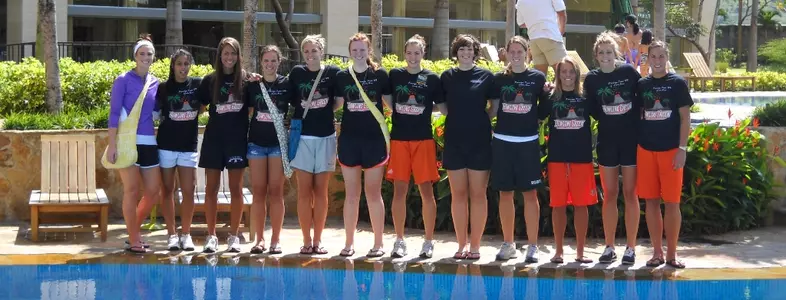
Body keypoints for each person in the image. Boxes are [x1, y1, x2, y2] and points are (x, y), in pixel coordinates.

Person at [488, 36, 548, 263]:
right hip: (503, 142)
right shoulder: (498, 80)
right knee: (505, 194)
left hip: (528, 144)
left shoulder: (538, 78)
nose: (515, 55)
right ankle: (508, 243)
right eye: (511, 51)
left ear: (527, 53)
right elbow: (492, 109)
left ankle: (533, 245)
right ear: (506, 54)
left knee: (530, 195)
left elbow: (544, 108)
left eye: (519, 51)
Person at [584, 31, 642, 265]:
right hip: (607, 141)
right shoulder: (592, 79)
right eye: (601, 53)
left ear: (616, 53)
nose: (605, 56)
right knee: (609, 194)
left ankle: (630, 247)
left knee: (630, 193)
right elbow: (591, 108)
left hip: (630, 141)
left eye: (609, 52)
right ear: (596, 56)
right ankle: (609, 246)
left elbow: (641, 99)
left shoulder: (628, 72)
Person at [635, 40, 691, 269]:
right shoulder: (641, 85)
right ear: (648, 59)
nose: (657, 61)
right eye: (653, 57)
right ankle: (656, 252)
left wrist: (682, 149)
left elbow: (685, 117)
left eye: (661, 56)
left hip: (671, 152)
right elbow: (638, 115)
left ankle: (672, 254)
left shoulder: (677, 84)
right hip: (646, 151)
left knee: (672, 203)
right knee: (651, 202)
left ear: (667, 58)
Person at [438, 34, 494, 260]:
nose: (465, 52)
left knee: (478, 194)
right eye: (461, 49)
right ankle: (461, 244)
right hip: (454, 141)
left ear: (475, 52)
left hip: (479, 141)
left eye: (469, 49)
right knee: (458, 194)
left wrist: (478, 120)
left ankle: (476, 246)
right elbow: (443, 107)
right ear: (456, 51)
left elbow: (494, 107)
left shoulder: (487, 76)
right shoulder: (447, 77)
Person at [335, 32, 391, 257]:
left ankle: (378, 244)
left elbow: (391, 104)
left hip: (374, 141)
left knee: (373, 194)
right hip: (349, 140)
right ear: (350, 52)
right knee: (351, 195)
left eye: (362, 50)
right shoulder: (341, 76)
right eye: (354, 50)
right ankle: (349, 243)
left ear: (369, 51)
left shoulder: (380, 75)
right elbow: (337, 104)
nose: (358, 54)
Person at [386, 34, 441, 259]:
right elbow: (387, 100)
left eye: (417, 53)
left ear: (423, 54)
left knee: (426, 192)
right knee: (399, 192)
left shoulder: (431, 78)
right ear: (404, 53)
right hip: (399, 140)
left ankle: (428, 241)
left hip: (423, 140)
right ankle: (399, 240)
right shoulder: (395, 75)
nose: (412, 57)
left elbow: (441, 105)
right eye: (409, 52)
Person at [196, 37, 250, 253]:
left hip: (236, 141)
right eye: (225, 53)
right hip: (214, 141)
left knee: (236, 189)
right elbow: (198, 107)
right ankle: (211, 236)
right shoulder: (209, 81)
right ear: (219, 56)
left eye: (233, 53)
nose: (229, 57)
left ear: (238, 56)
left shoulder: (246, 81)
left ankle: (234, 236)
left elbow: (253, 109)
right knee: (211, 189)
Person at [288, 34, 341, 255]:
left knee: (321, 192)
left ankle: (318, 241)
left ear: (322, 51)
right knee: (304, 192)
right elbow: (291, 100)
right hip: (303, 139)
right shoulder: (296, 73)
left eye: (314, 50)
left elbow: (338, 102)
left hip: (326, 137)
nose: (310, 55)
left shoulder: (333, 73)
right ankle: (306, 240)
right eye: (306, 51)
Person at [108, 34, 161, 254]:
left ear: (154, 57)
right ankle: (134, 237)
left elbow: (157, 111)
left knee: (152, 192)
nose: (145, 57)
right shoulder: (122, 80)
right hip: (127, 142)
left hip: (149, 142)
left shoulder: (155, 82)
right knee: (131, 191)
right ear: (135, 56)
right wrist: (112, 145)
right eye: (142, 53)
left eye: (149, 54)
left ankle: (133, 231)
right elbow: (113, 114)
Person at [544, 56, 597, 264]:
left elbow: (604, 116)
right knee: (557, 205)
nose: (567, 76)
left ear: (577, 74)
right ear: (558, 75)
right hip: (557, 158)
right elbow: (535, 115)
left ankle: (580, 252)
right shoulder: (551, 97)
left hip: (581, 158)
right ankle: (558, 251)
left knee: (581, 205)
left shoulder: (585, 98)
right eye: (563, 72)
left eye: (571, 72)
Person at [245, 45, 292, 254]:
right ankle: (259, 240)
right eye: (266, 61)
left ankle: (275, 239)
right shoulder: (253, 85)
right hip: (256, 144)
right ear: (261, 63)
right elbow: (246, 111)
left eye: (274, 60)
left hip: (277, 146)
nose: (270, 64)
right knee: (258, 192)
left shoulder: (286, 84)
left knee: (276, 192)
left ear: (279, 62)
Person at [155, 49, 201, 251]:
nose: (183, 68)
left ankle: (186, 234)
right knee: (167, 190)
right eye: (179, 64)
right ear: (172, 66)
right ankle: (172, 234)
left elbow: (203, 107)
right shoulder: (163, 88)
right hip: (166, 146)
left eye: (186, 64)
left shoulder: (198, 85)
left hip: (188, 146)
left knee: (189, 191)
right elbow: (155, 113)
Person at [515, 0, 568, 75]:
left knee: (540, 77)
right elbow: (561, 13)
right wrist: (560, 32)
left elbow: (521, 23)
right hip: (550, 36)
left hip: (534, 40)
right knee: (565, 72)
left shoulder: (521, 1)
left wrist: (534, 23)